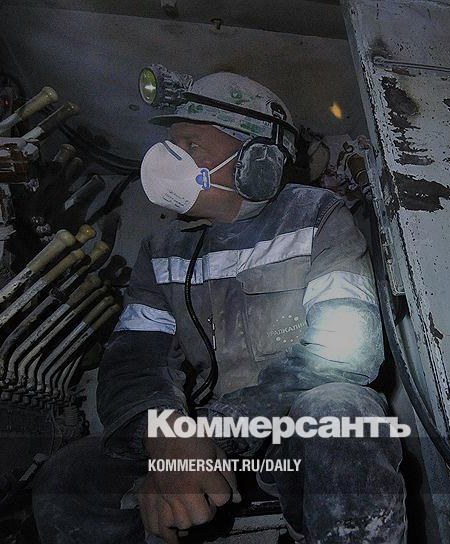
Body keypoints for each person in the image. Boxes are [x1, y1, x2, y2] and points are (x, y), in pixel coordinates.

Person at [32, 72, 406, 544]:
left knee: (342, 414)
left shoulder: (316, 215)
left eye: (191, 144)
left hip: (285, 441)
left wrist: (211, 434)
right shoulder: (161, 248)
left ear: (257, 161)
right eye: (172, 144)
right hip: (194, 441)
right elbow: (133, 362)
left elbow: (345, 354)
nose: (170, 158)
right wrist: (164, 433)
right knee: (68, 476)